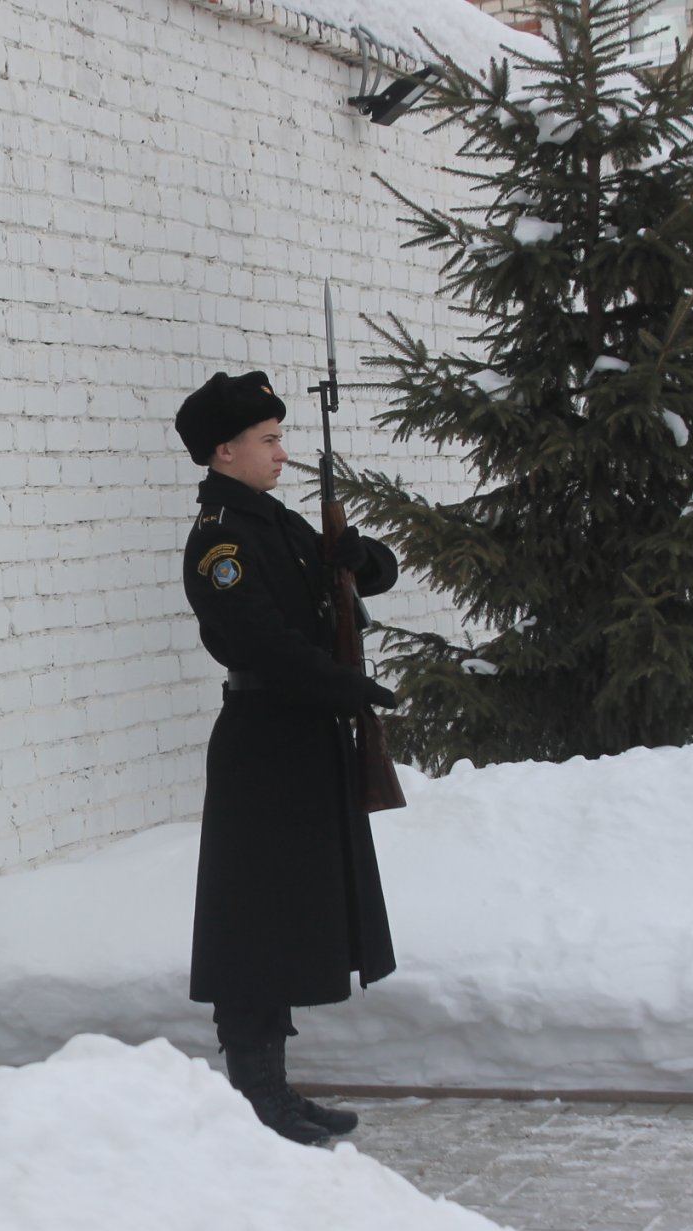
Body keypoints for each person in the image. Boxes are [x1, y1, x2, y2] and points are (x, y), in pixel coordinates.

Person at [175, 370, 400, 1146]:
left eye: (280, 437)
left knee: (290, 918)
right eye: (268, 440)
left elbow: (353, 577)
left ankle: (273, 1088)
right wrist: (348, 687)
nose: (282, 453)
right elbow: (259, 640)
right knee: (254, 925)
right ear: (223, 451)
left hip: (303, 736)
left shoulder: (273, 522)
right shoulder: (222, 541)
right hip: (265, 743)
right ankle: (258, 1094)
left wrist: (362, 560)